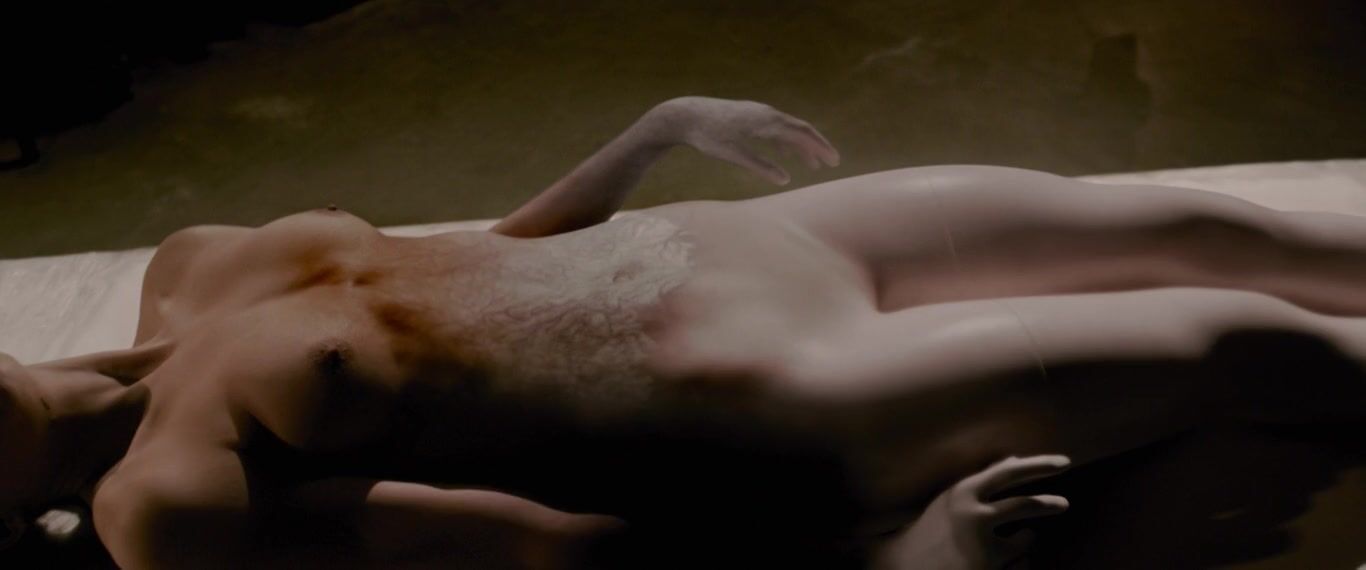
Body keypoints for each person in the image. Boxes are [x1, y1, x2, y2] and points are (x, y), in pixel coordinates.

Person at [2, 96, 1365, 569]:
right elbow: (538, 549)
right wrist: (891, 555)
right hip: (777, 387)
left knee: (1208, 227)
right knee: (1250, 340)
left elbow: (471, 258)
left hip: (747, 245)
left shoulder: (189, 270)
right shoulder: (165, 505)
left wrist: (649, 137)